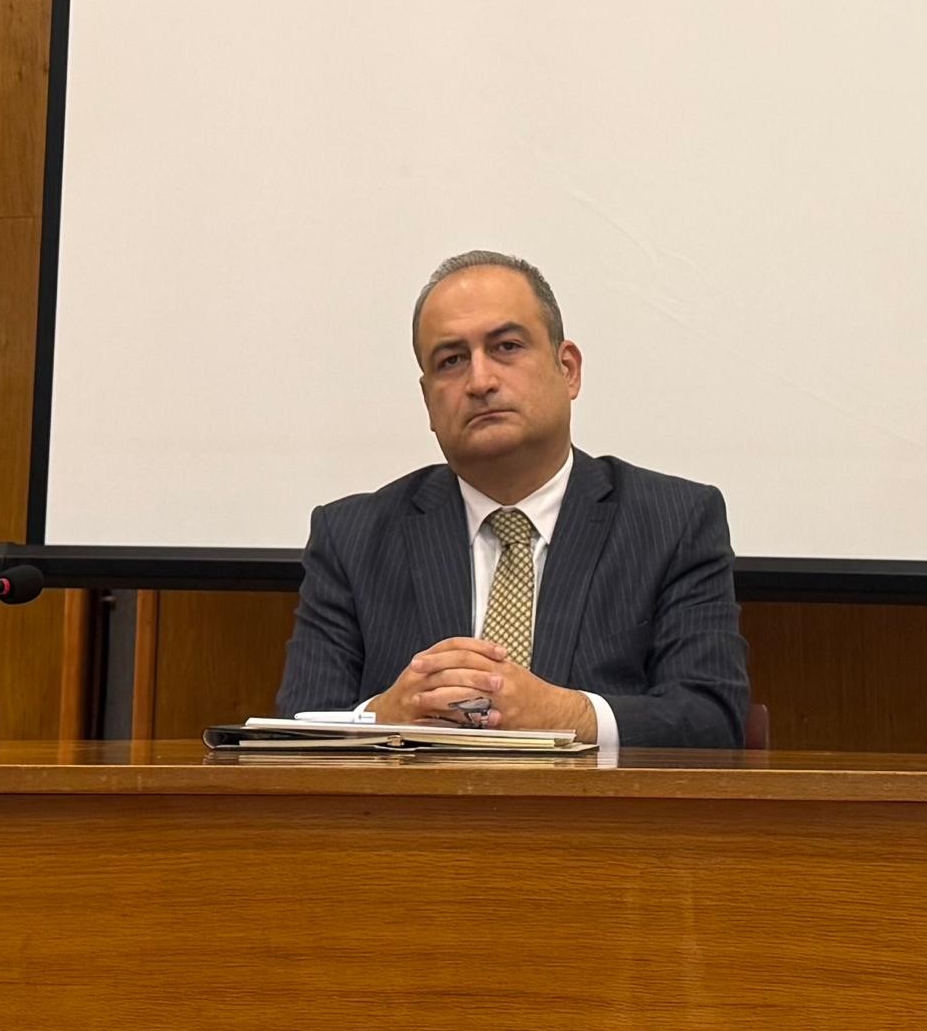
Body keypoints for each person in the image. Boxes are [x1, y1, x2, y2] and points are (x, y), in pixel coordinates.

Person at [275, 252, 753, 751]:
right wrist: (382, 718)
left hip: (593, 803)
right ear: (428, 401)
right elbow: (293, 734)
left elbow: (711, 720)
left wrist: (563, 714)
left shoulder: (673, 521)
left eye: (506, 347)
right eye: (451, 360)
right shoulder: (353, 537)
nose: (480, 381)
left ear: (568, 369)